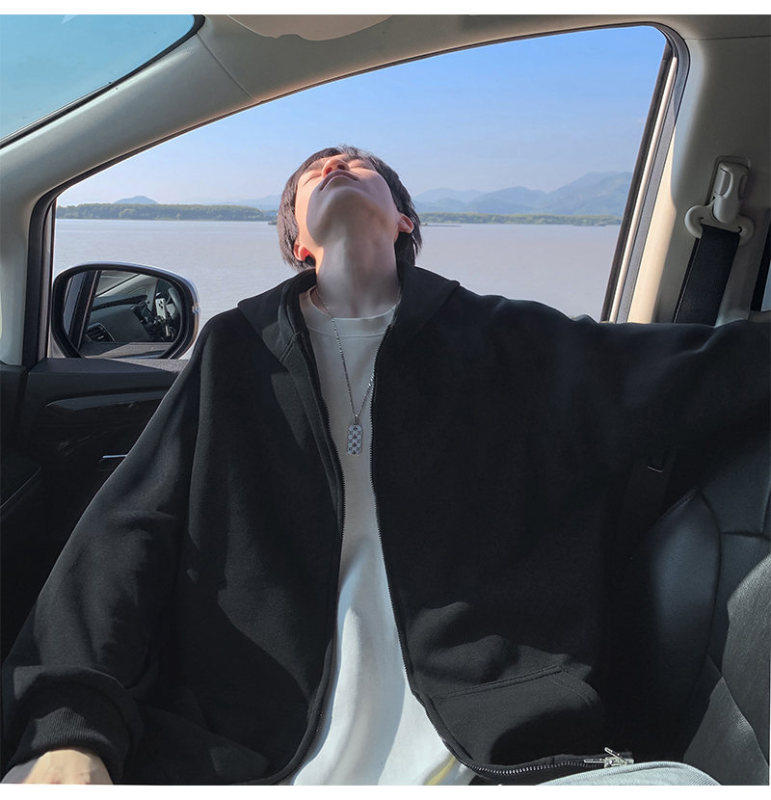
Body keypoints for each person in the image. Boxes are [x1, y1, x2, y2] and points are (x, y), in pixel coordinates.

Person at [2, 146, 768, 785]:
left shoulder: (510, 341)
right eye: (312, 173)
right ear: (298, 242)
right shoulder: (236, 349)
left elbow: (703, 369)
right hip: (243, 758)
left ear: (403, 221)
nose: (336, 162)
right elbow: (124, 532)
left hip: (498, 757)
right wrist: (69, 729)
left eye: (360, 164)